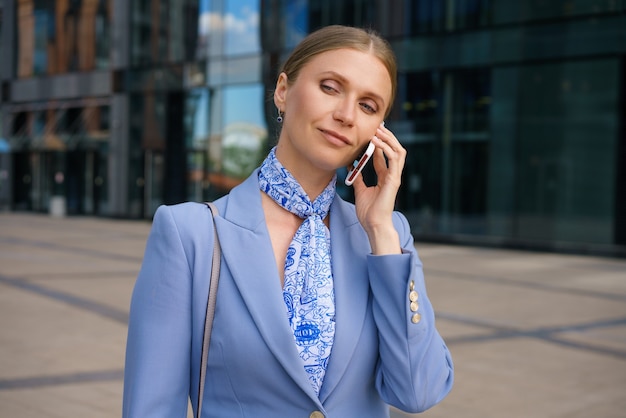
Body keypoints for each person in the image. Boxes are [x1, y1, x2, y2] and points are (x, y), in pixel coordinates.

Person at [123, 24, 453, 418]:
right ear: (283, 91)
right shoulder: (190, 234)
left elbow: (418, 393)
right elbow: (152, 408)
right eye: (330, 87)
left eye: (368, 105)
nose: (346, 115)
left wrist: (381, 232)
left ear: (378, 131)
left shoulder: (387, 237)